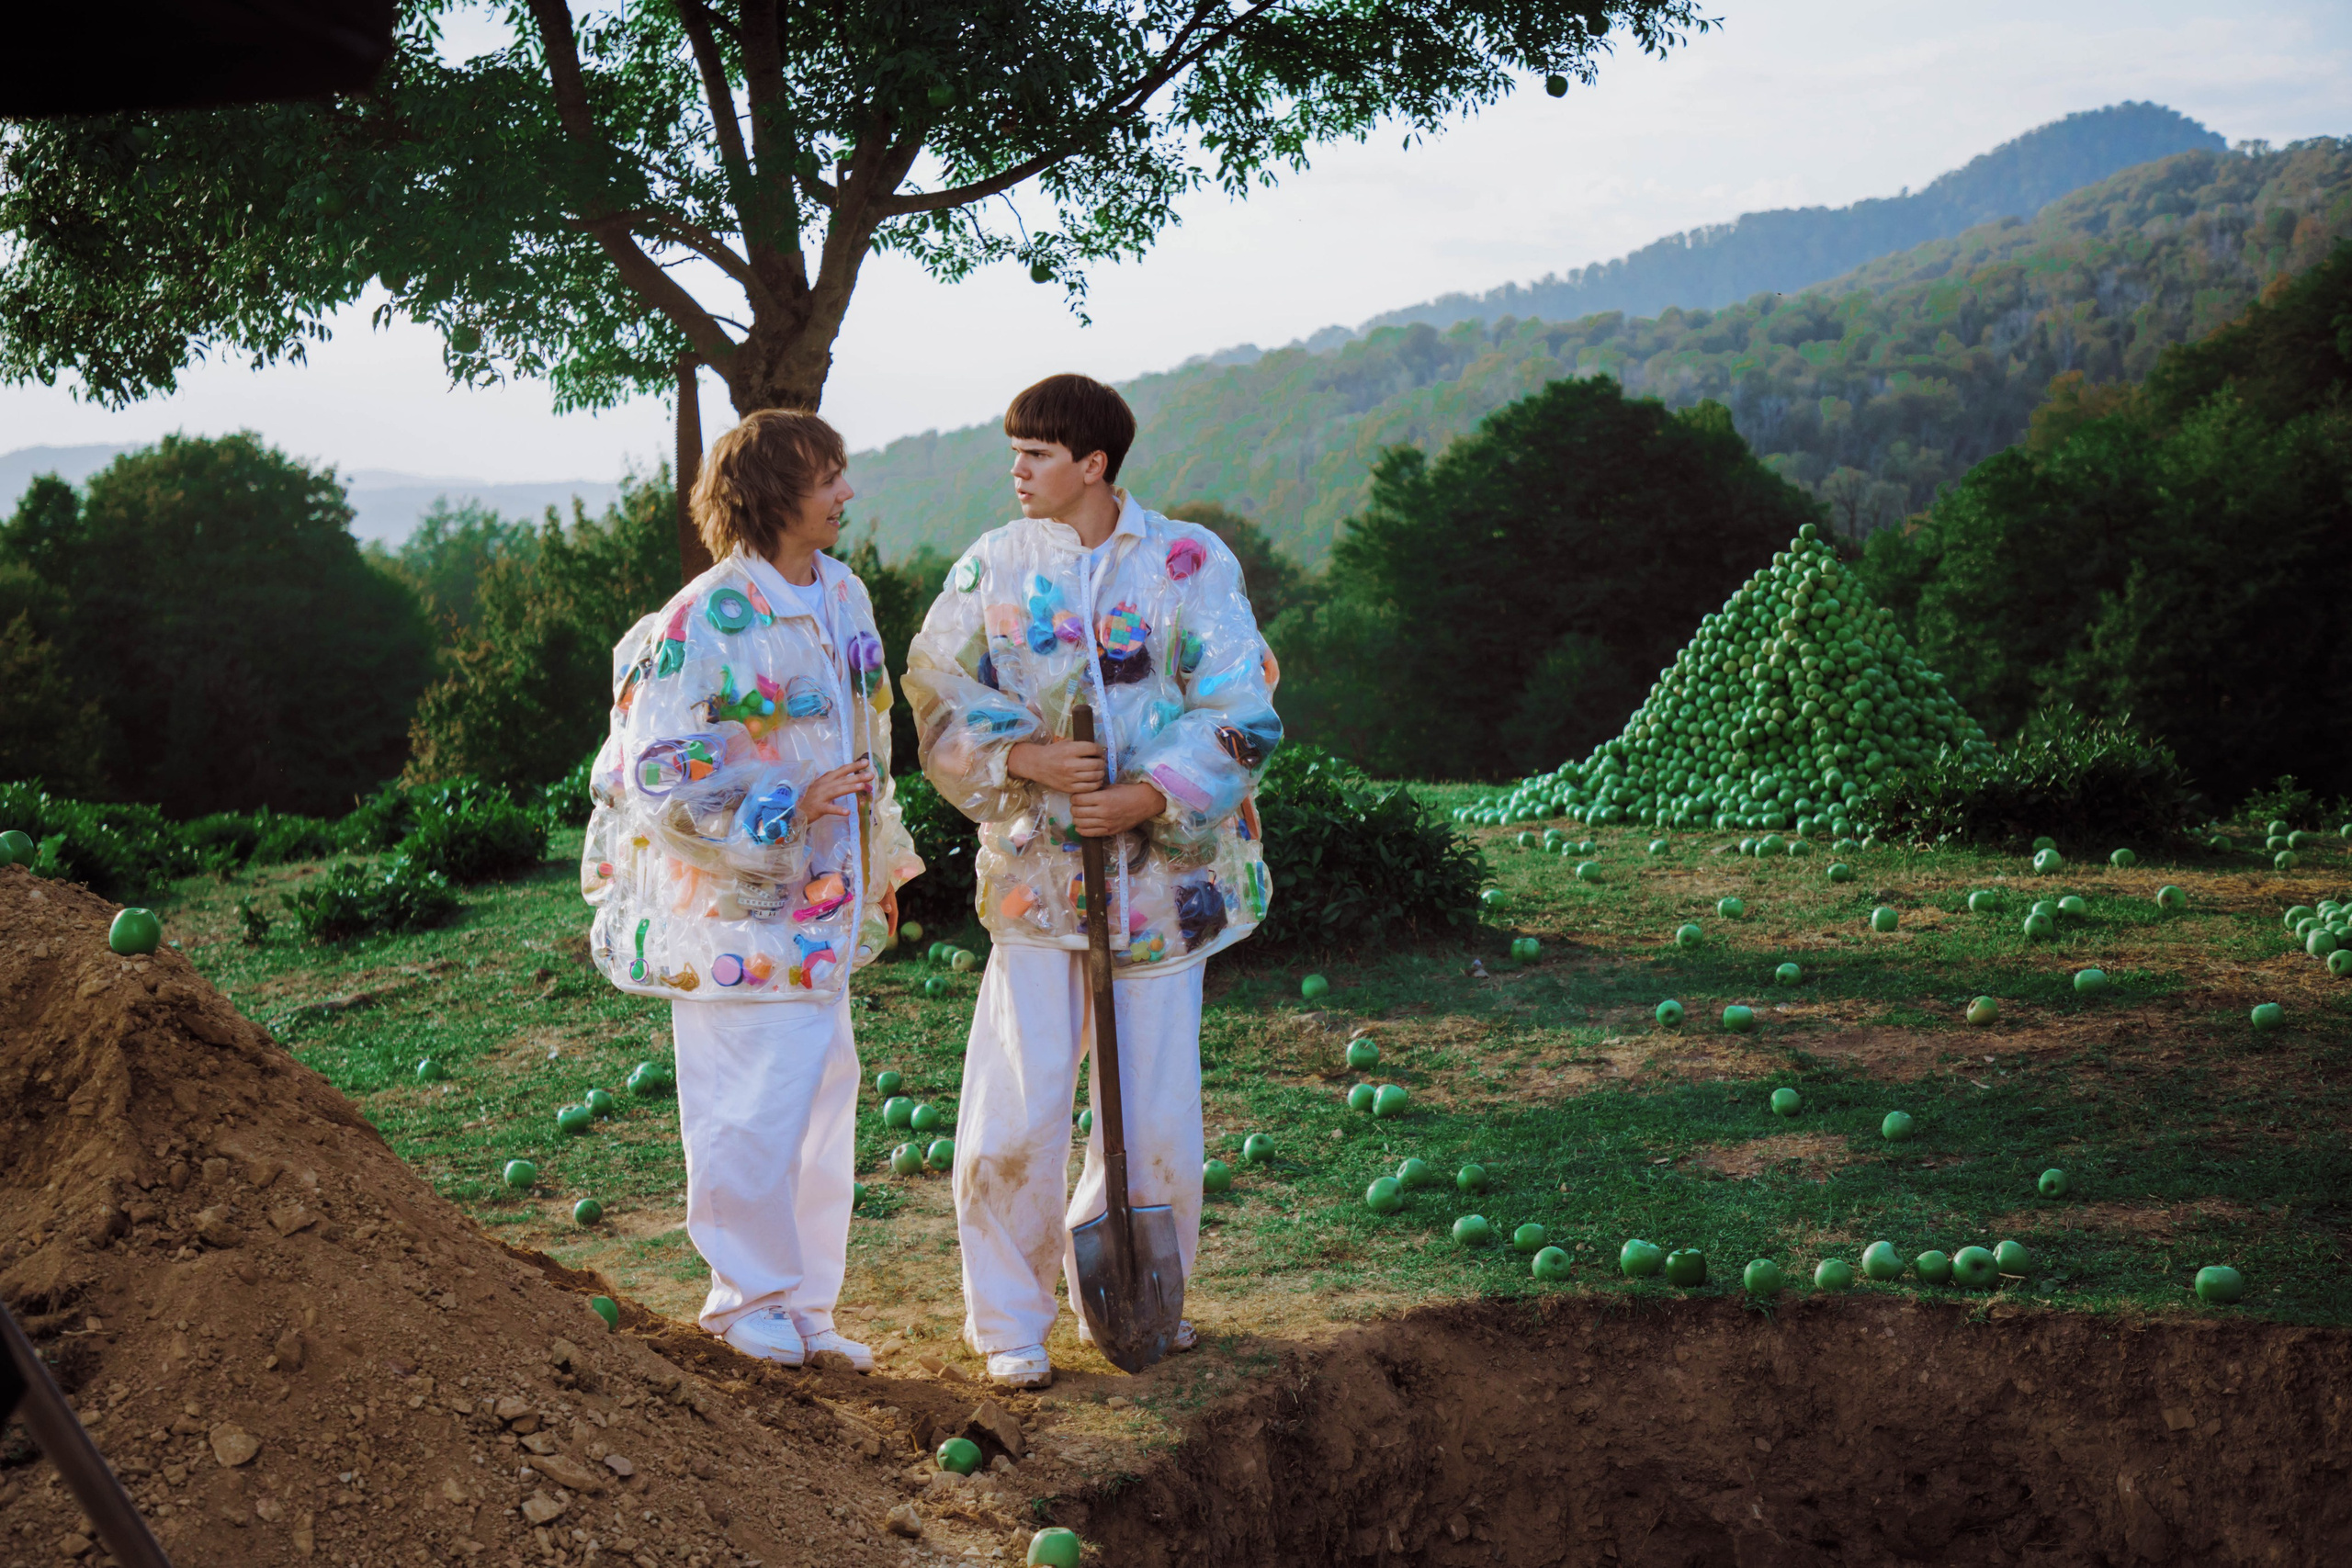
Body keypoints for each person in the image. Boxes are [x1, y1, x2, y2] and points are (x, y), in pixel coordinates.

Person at [904, 373, 1283, 1388]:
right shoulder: (993, 565)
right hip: (1035, 885)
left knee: (1153, 1118)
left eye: (1034, 454)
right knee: (1017, 1109)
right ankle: (1007, 1320)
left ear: (1094, 465)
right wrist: (1024, 759)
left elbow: (1242, 702)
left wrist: (1150, 796)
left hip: (1164, 893)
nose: (1016, 471)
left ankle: (1133, 1301)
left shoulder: (1188, 563)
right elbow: (936, 690)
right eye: (1013, 453)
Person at [581, 409, 922, 1370]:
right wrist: (786, 798)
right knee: (747, 1109)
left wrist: (881, 866)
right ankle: (742, 1302)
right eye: (829, 478)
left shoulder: (844, 595)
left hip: (827, 910)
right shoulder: (702, 619)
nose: (846, 494)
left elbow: (870, 745)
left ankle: (806, 1304)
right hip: (732, 920)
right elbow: (648, 772)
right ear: (775, 494)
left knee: (820, 1107)